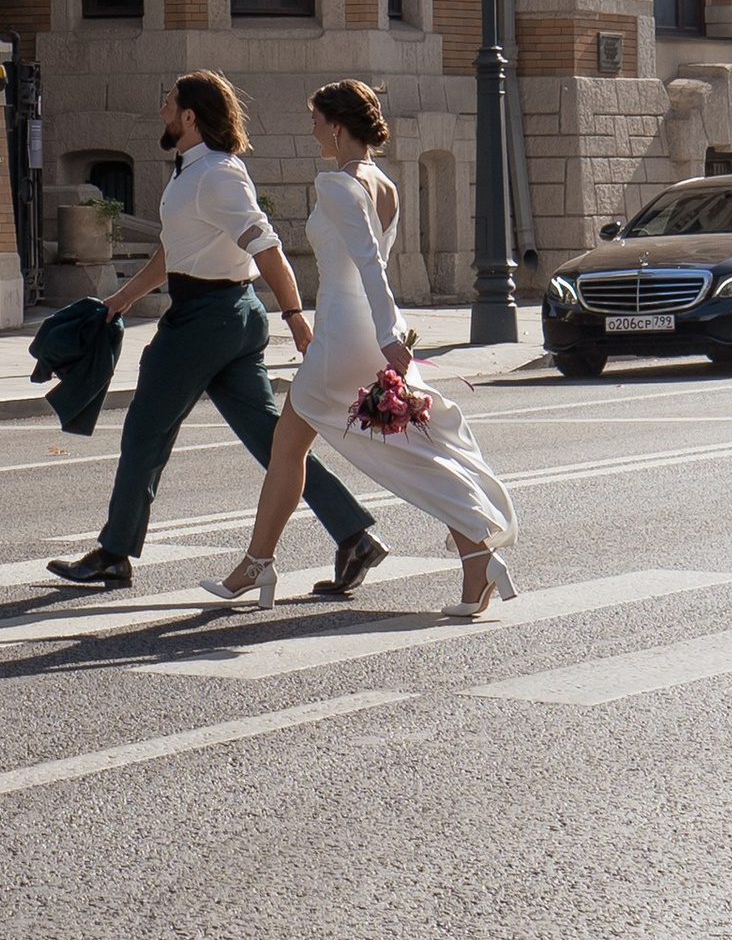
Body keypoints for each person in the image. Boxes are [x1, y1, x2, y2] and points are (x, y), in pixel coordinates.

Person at [47, 74, 389, 598]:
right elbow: (174, 252)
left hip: (208, 318)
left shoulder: (219, 175)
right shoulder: (193, 173)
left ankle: (114, 555)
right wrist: (120, 300)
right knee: (274, 442)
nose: (161, 110)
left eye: (169, 103)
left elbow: (266, 246)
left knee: (145, 430)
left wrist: (295, 315)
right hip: (221, 315)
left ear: (189, 117)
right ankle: (353, 534)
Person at [201, 80, 517, 620]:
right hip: (367, 330)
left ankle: (259, 564)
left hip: (346, 335)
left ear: (338, 126)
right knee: (317, 444)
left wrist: (391, 338)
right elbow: (376, 264)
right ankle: (472, 557)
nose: (313, 130)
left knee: (369, 450)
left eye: (317, 121)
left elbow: (371, 264)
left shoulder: (338, 185)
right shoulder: (385, 183)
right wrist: (389, 333)